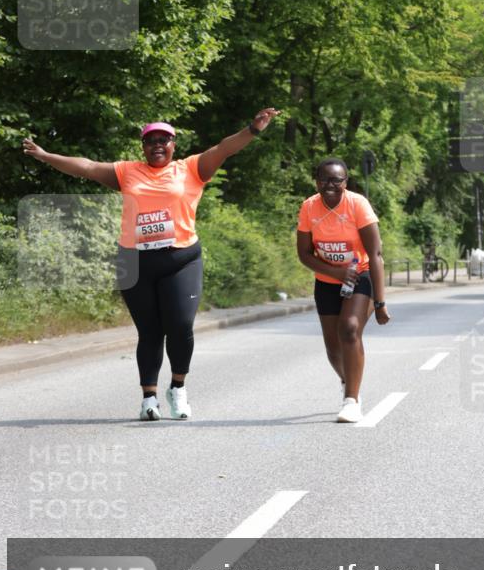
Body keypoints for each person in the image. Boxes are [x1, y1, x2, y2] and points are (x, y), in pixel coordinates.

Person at [22, 110, 279, 421]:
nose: (157, 144)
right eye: (150, 140)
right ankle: (148, 399)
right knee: (150, 332)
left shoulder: (191, 169)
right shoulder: (127, 171)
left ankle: (178, 389)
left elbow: (224, 148)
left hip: (180, 258)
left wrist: (252, 129)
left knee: (181, 326)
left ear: (173, 144)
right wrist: (46, 155)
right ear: (143, 147)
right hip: (135, 261)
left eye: (164, 139)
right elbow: (87, 167)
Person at [296, 157, 390, 423]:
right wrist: (335, 272)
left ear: (345, 182)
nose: (330, 185)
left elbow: (376, 254)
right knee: (333, 348)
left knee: (349, 330)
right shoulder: (309, 208)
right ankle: (349, 379)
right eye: (325, 180)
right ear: (317, 182)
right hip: (327, 280)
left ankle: (352, 400)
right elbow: (304, 254)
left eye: (337, 180)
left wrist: (381, 303)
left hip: (361, 275)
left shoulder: (357, 204)